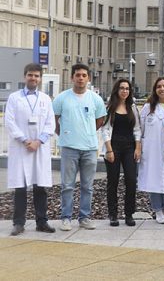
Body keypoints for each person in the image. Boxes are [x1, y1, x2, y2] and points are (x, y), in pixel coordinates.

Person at [53, 64, 107, 231]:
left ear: (88, 78)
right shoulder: (62, 98)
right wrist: (64, 134)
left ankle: (84, 217)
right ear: (72, 78)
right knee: (67, 186)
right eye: (77, 75)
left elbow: (100, 120)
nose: (81, 78)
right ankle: (66, 218)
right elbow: (54, 119)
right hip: (69, 148)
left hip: (89, 148)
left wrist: (87, 132)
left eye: (84, 75)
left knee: (87, 186)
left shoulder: (95, 99)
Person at [5, 63, 56, 235]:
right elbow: (9, 122)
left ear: (40, 78)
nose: (33, 78)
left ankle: (42, 222)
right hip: (21, 148)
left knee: (40, 187)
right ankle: (19, 223)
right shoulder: (14, 98)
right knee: (20, 187)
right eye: (30, 75)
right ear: (24, 76)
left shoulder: (46, 99)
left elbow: (50, 123)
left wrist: (38, 141)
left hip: (39, 149)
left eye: (36, 75)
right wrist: (26, 140)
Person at [138, 77, 164, 224]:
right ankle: (158, 210)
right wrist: (140, 146)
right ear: (155, 90)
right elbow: (140, 129)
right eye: (159, 86)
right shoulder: (148, 108)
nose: (162, 89)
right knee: (155, 178)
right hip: (154, 147)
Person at [102, 78, 141, 227]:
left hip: (129, 148)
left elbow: (137, 129)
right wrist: (109, 150)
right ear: (117, 90)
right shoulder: (110, 108)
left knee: (131, 180)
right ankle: (113, 214)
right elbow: (105, 130)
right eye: (122, 88)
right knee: (113, 181)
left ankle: (129, 214)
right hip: (113, 147)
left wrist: (137, 148)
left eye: (127, 88)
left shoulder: (133, 108)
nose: (124, 91)